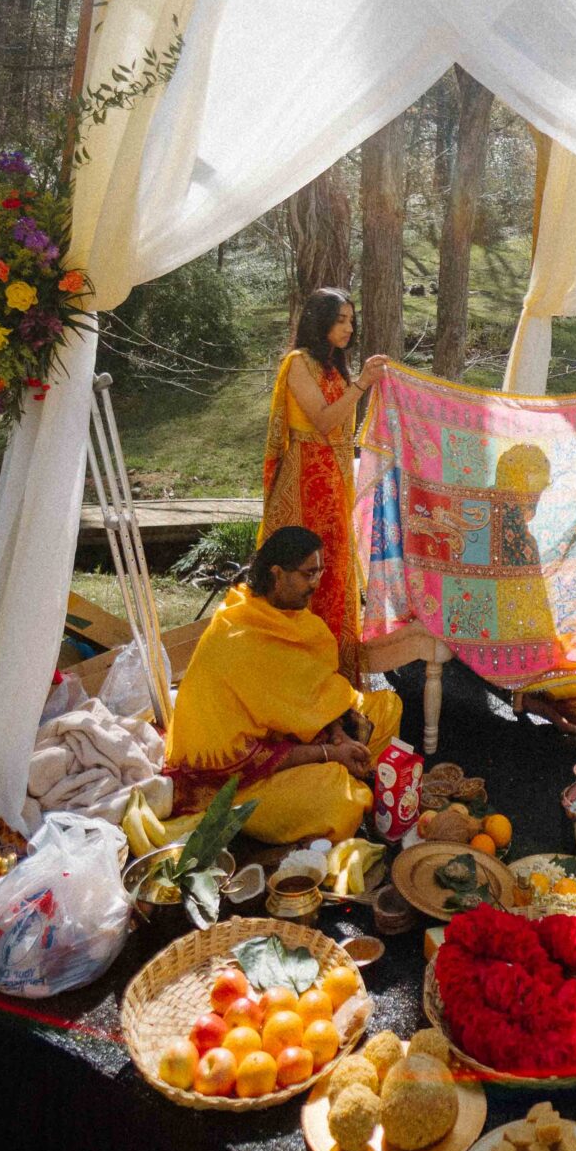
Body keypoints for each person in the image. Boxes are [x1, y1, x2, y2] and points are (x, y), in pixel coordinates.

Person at [165, 526, 404, 844]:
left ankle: (353, 770)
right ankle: (347, 778)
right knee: (341, 802)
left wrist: (337, 734)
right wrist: (329, 753)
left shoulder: (289, 617)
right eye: (308, 574)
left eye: (319, 573)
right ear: (277, 574)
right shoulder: (239, 638)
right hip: (237, 781)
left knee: (387, 708)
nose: (315, 584)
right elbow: (250, 758)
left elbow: (314, 694)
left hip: (291, 740)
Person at [261, 287, 387, 682]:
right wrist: (363, 383)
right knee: (301, 570)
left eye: (352, 319)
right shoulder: (298, 362)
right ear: (320, 322)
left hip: (332, 479)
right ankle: (292, 672)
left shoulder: (335, 367)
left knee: (332, 571)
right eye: (341, 320)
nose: (350, 327)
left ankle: (334, 673)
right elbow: (324, 420)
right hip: (302, 478)